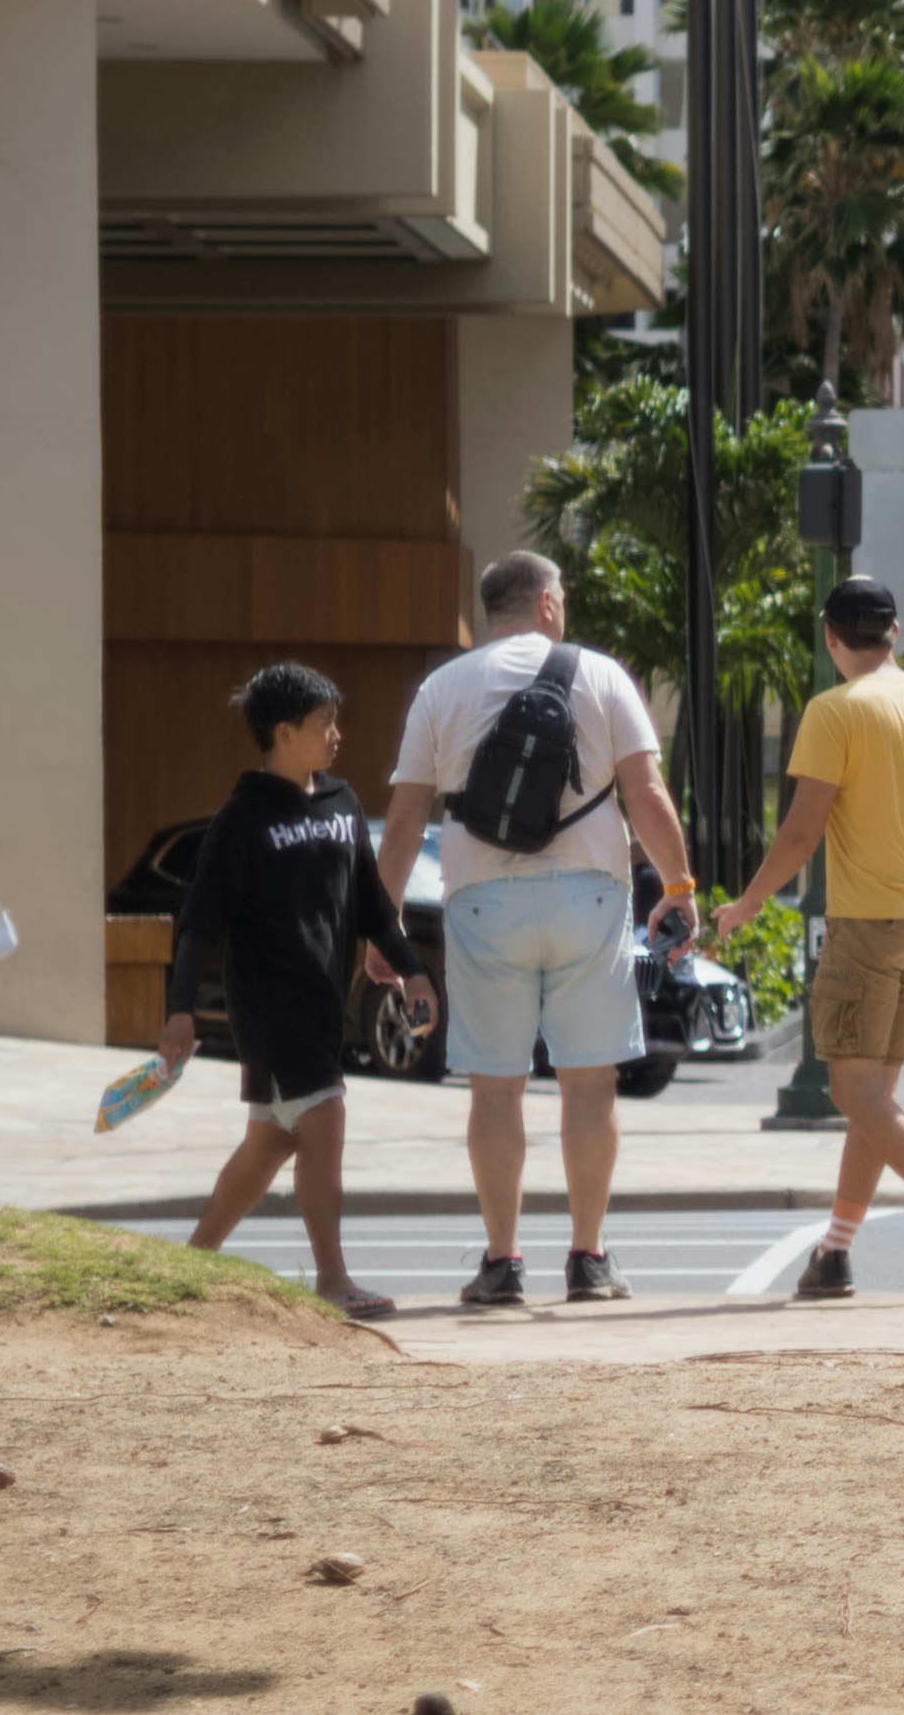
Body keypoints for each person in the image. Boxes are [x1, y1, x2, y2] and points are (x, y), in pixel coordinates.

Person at [377, 554, 698, 1305]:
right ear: (549, 603)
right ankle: (588, 1259)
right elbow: (646, 792)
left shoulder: (441, 688)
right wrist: (677, 887)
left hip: (482, 900)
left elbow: (402, 820)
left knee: (496, 1091)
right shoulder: (599, 675)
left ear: (491, 611)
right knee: (590, 1085)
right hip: (589, 894)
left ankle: (501, 1264)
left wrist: (383, 925)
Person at [717, 577, 904, 1303]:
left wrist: (750, 903)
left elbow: (803, 829)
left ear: (831, 638)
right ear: (896, 631)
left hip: (867, 924)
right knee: (875, 1093)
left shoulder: (832, 711)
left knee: (850, 1086)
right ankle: (834, 1253)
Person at [161, 665, 437, 1319]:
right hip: (269, 1007)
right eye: (324, 724)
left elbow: (372, 907)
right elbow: (197, 924)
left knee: (270, 1142)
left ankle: (191, 1261)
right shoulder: (242, 818)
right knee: (324, 1120)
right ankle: (333, 1279)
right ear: (285, 733)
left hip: (320, 1007)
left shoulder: (340, 805)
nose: (337, 735)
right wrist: (178, 1014)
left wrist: (412, 970)